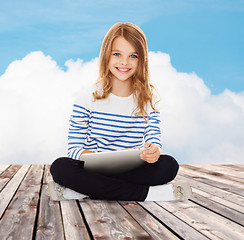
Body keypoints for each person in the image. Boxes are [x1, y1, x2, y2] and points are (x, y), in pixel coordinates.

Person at [49, 22, 191, 202]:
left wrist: (154, 151)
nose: (124, 62)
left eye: (133, 56)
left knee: (169, 165)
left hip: (131, 169)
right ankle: (147, 194)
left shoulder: (148, 98)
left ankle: (82, 191)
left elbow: (153, 138)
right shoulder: (87, 96)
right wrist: (93, 158)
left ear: (142, 60)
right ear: (106, 56)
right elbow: (74, 148)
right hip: (93, 168)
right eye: (117, 54)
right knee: (60, 167)